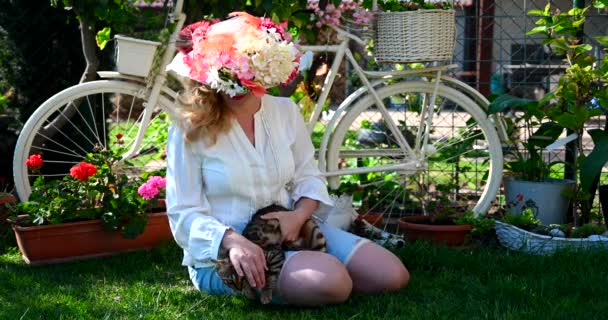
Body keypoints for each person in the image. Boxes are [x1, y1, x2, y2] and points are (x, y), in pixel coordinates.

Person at [165, 12, 409, 306]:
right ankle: (313, 274)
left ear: (268, 68)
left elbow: (309, 177)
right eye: (230, 71)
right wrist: (232, 241)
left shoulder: (285, 111)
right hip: (226, 255)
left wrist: (298, 217)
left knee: (392, 275)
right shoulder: (190, 128)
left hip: (296, 231)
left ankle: (308, 268)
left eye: (249, 70)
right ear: (210, 73)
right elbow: (183, 212)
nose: (241, 83)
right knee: (334, 282)